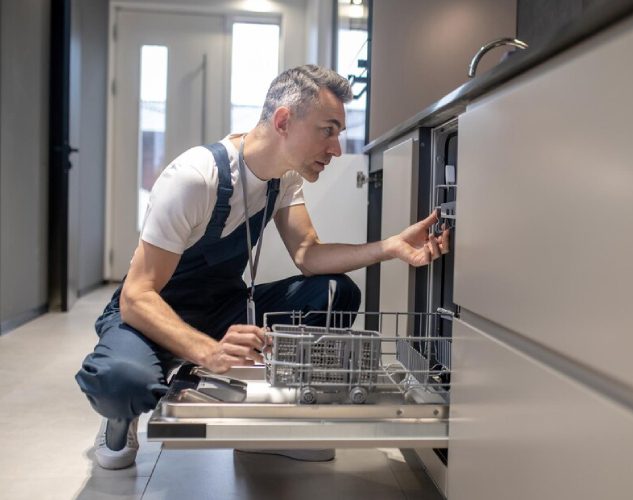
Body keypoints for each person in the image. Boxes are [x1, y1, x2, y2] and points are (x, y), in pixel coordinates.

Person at [75, 65, 450, 470]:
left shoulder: (284, 178)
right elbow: (136, 296)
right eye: (328, 130)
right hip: (152, 312)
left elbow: (308, 254)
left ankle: (269, 426)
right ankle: (120, 415)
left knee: (335, 291)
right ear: (284, 120)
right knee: (122, 382)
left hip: (222, 308)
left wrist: (389, 247)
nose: (337, 148)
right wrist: (208, 350)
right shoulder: (195, 178)